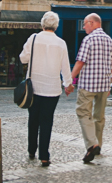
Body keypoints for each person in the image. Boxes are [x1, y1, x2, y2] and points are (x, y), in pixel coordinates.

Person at [19, 11, 74, 167]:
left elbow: (23, 58)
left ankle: (31, 149)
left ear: (42, 24)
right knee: (47, 121)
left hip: (34, 87)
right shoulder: (61, 43)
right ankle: (44, 156)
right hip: (52, 89)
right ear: (56, 26)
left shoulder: (34, 38)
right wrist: (67, 85)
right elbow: (65, 68)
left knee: (33, 119)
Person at [71, 13, 112, 164]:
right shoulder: (110, 40)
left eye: (84, 24)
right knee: (99, 116)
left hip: (88, 85)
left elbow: (80, 62)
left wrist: (70, 79)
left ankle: (92, 144)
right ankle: (99, 145)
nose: (83, 27)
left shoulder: (88, 39)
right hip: (103, 85)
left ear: (91, 23)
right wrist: (109, 83)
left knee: (83, 113)